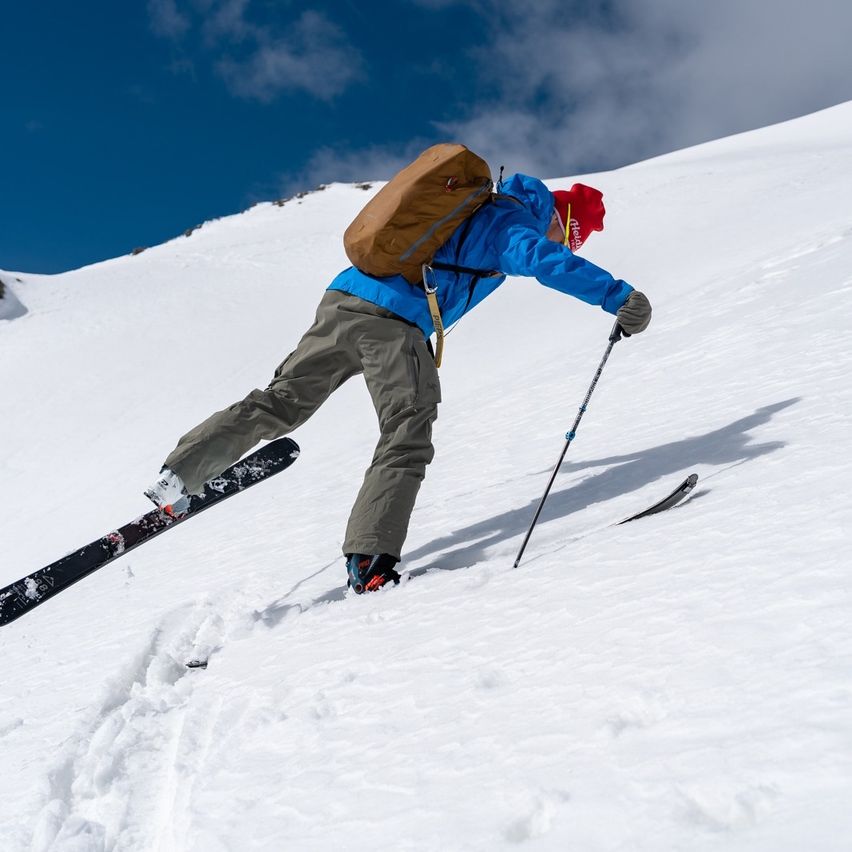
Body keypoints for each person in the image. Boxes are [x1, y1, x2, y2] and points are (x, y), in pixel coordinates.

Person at [145, 172, 651, 593]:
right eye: (571, 235)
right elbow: (546, 262)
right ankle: (370, 559)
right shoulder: (510, 223)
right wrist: (618, 296)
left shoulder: (475, 208)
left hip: (343, 300)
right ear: (561, 220)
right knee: (407, 429)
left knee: (282, 401)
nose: (565, 242)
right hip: (393, 319)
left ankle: (182, 470)